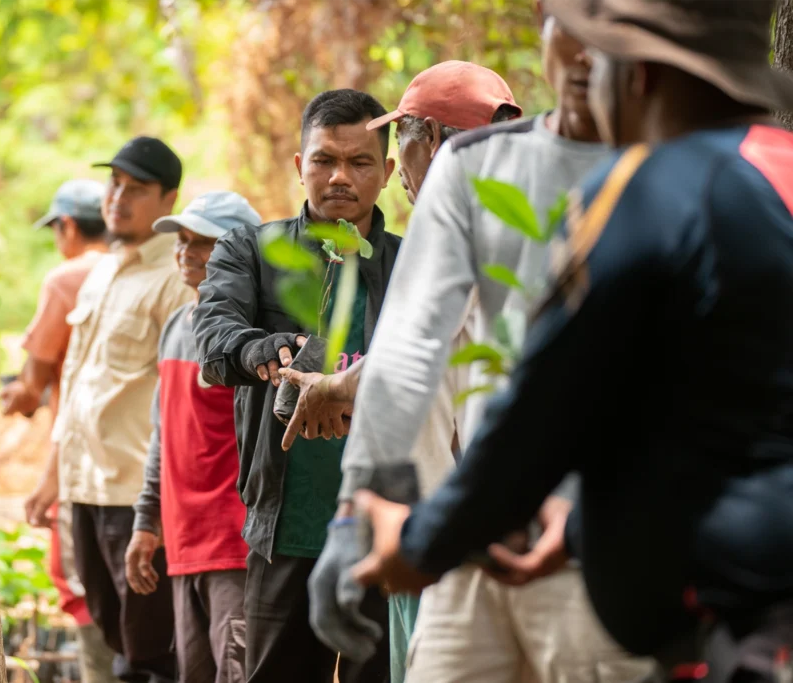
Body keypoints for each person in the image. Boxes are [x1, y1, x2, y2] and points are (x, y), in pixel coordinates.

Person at [351, 0, 793, 682]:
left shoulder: (654, 191)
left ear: (637, 75)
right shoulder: (772, 170)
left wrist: (417, 541)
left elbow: (546, 407)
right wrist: (582, 525)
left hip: (744, 629)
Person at [307, 6, 656, 682]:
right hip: (471, 545)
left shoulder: (667, 174)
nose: (587, 57)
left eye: (606, 35)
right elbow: (410, 346)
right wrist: (355, 510)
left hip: (601, 553)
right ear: (546, 30)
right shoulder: (470, 171)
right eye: (570, 31)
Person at [277, 61, 521, 683]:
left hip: (453, 532)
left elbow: (412, 355)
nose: (397, 173)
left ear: (429, 139)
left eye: (401, 143)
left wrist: (332, 387)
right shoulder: (532, 221)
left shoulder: (460, 226)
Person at [192, 89, 399, 683]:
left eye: (360, 162)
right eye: (324, 159)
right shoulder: (253, 251)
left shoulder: (412, 263)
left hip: (384, 536)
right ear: (298, 164)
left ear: (387, 172)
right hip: (285, 530)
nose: (340, 177)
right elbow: (215, 336)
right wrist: (266, 350)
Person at [53, 137, 192, 683]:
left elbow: (180, 399)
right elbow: (76, 381)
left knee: (150, 648)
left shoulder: (176, 281)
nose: (119, 197)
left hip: (134, 494)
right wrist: (52, 477)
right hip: (83, 488)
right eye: (114, 184)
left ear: (169, 199)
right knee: (113, 637)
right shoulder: (103, 272)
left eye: (137, 189)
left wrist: (156, 510)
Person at [126, 191, 263, 683]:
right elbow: (164, 432)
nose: (185, 252)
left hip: (236, 544)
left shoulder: (254, 335)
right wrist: (147, 523)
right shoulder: (176, 327)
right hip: (184, 544)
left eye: (203, 242)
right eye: (182, 241)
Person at [0, 178, 118, 683]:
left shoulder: (67, 278)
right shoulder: (139, 270)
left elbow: (33, 383)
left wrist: (17, 395)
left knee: (80, 584)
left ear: (67, 226)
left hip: (78, 459)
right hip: (139, 458)